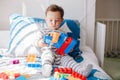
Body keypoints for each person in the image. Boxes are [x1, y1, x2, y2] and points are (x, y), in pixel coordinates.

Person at [35, 4, 93, 78]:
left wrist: (69, 49)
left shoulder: (63, 33)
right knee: (46, 56)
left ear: (62, 20)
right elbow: (36, 41)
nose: (53, 23)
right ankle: (46, 69)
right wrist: (40, 42)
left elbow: (66, 45)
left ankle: (81, 71)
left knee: (69, 60)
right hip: (49, 51)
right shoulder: (43, 31)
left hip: (61, 54)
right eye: (50, 20)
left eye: (57, 20)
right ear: (46, 19)